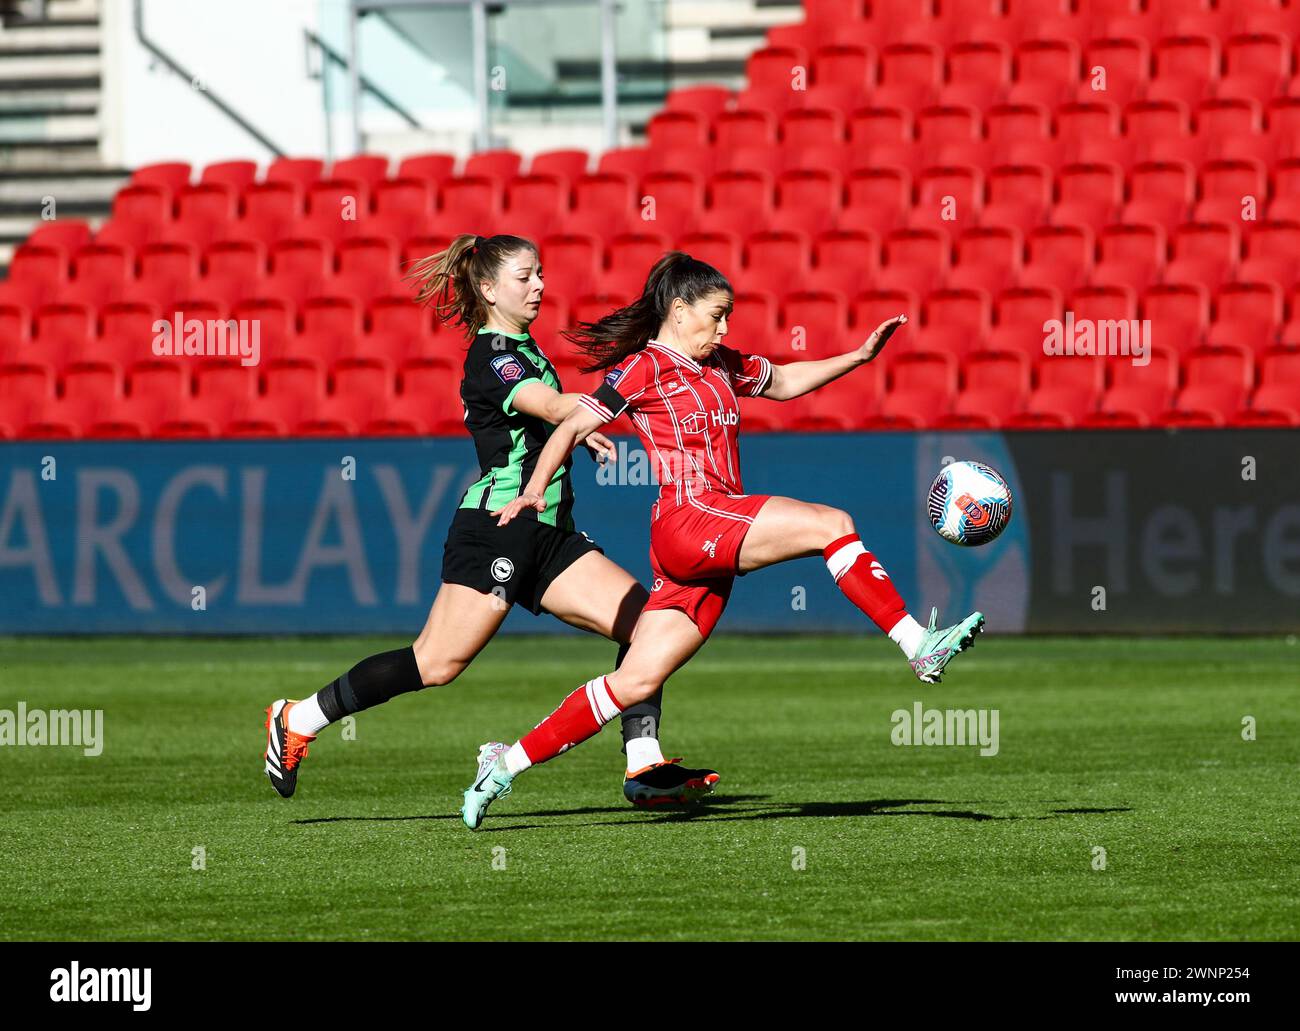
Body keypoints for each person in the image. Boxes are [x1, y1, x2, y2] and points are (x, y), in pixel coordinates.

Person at [460, 251, 985, 829]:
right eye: (717, 315)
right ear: (679, 311)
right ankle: (918, 644)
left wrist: (857, 357)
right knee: (831, 524)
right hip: (692, 517)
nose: (725, 328)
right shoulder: (643, 368)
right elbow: (572, 424)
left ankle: (503, 766)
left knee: (635, 679)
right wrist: (535, 489)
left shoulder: (720, 363)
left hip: (703, 539)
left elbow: (783, 381)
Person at [263, 235, 718, 807]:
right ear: (487, 288)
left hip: (549, 534)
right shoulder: (494, 357)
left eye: (541, 274)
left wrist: (580, 421)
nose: (539, 286)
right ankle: (298, 717)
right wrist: (585, 415)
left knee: (646, 628)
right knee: (435, 663)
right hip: (496, 529)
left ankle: (644, 766)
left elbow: (555, 414)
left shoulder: (526, 349)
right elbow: (550, 407)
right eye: (525, 277)